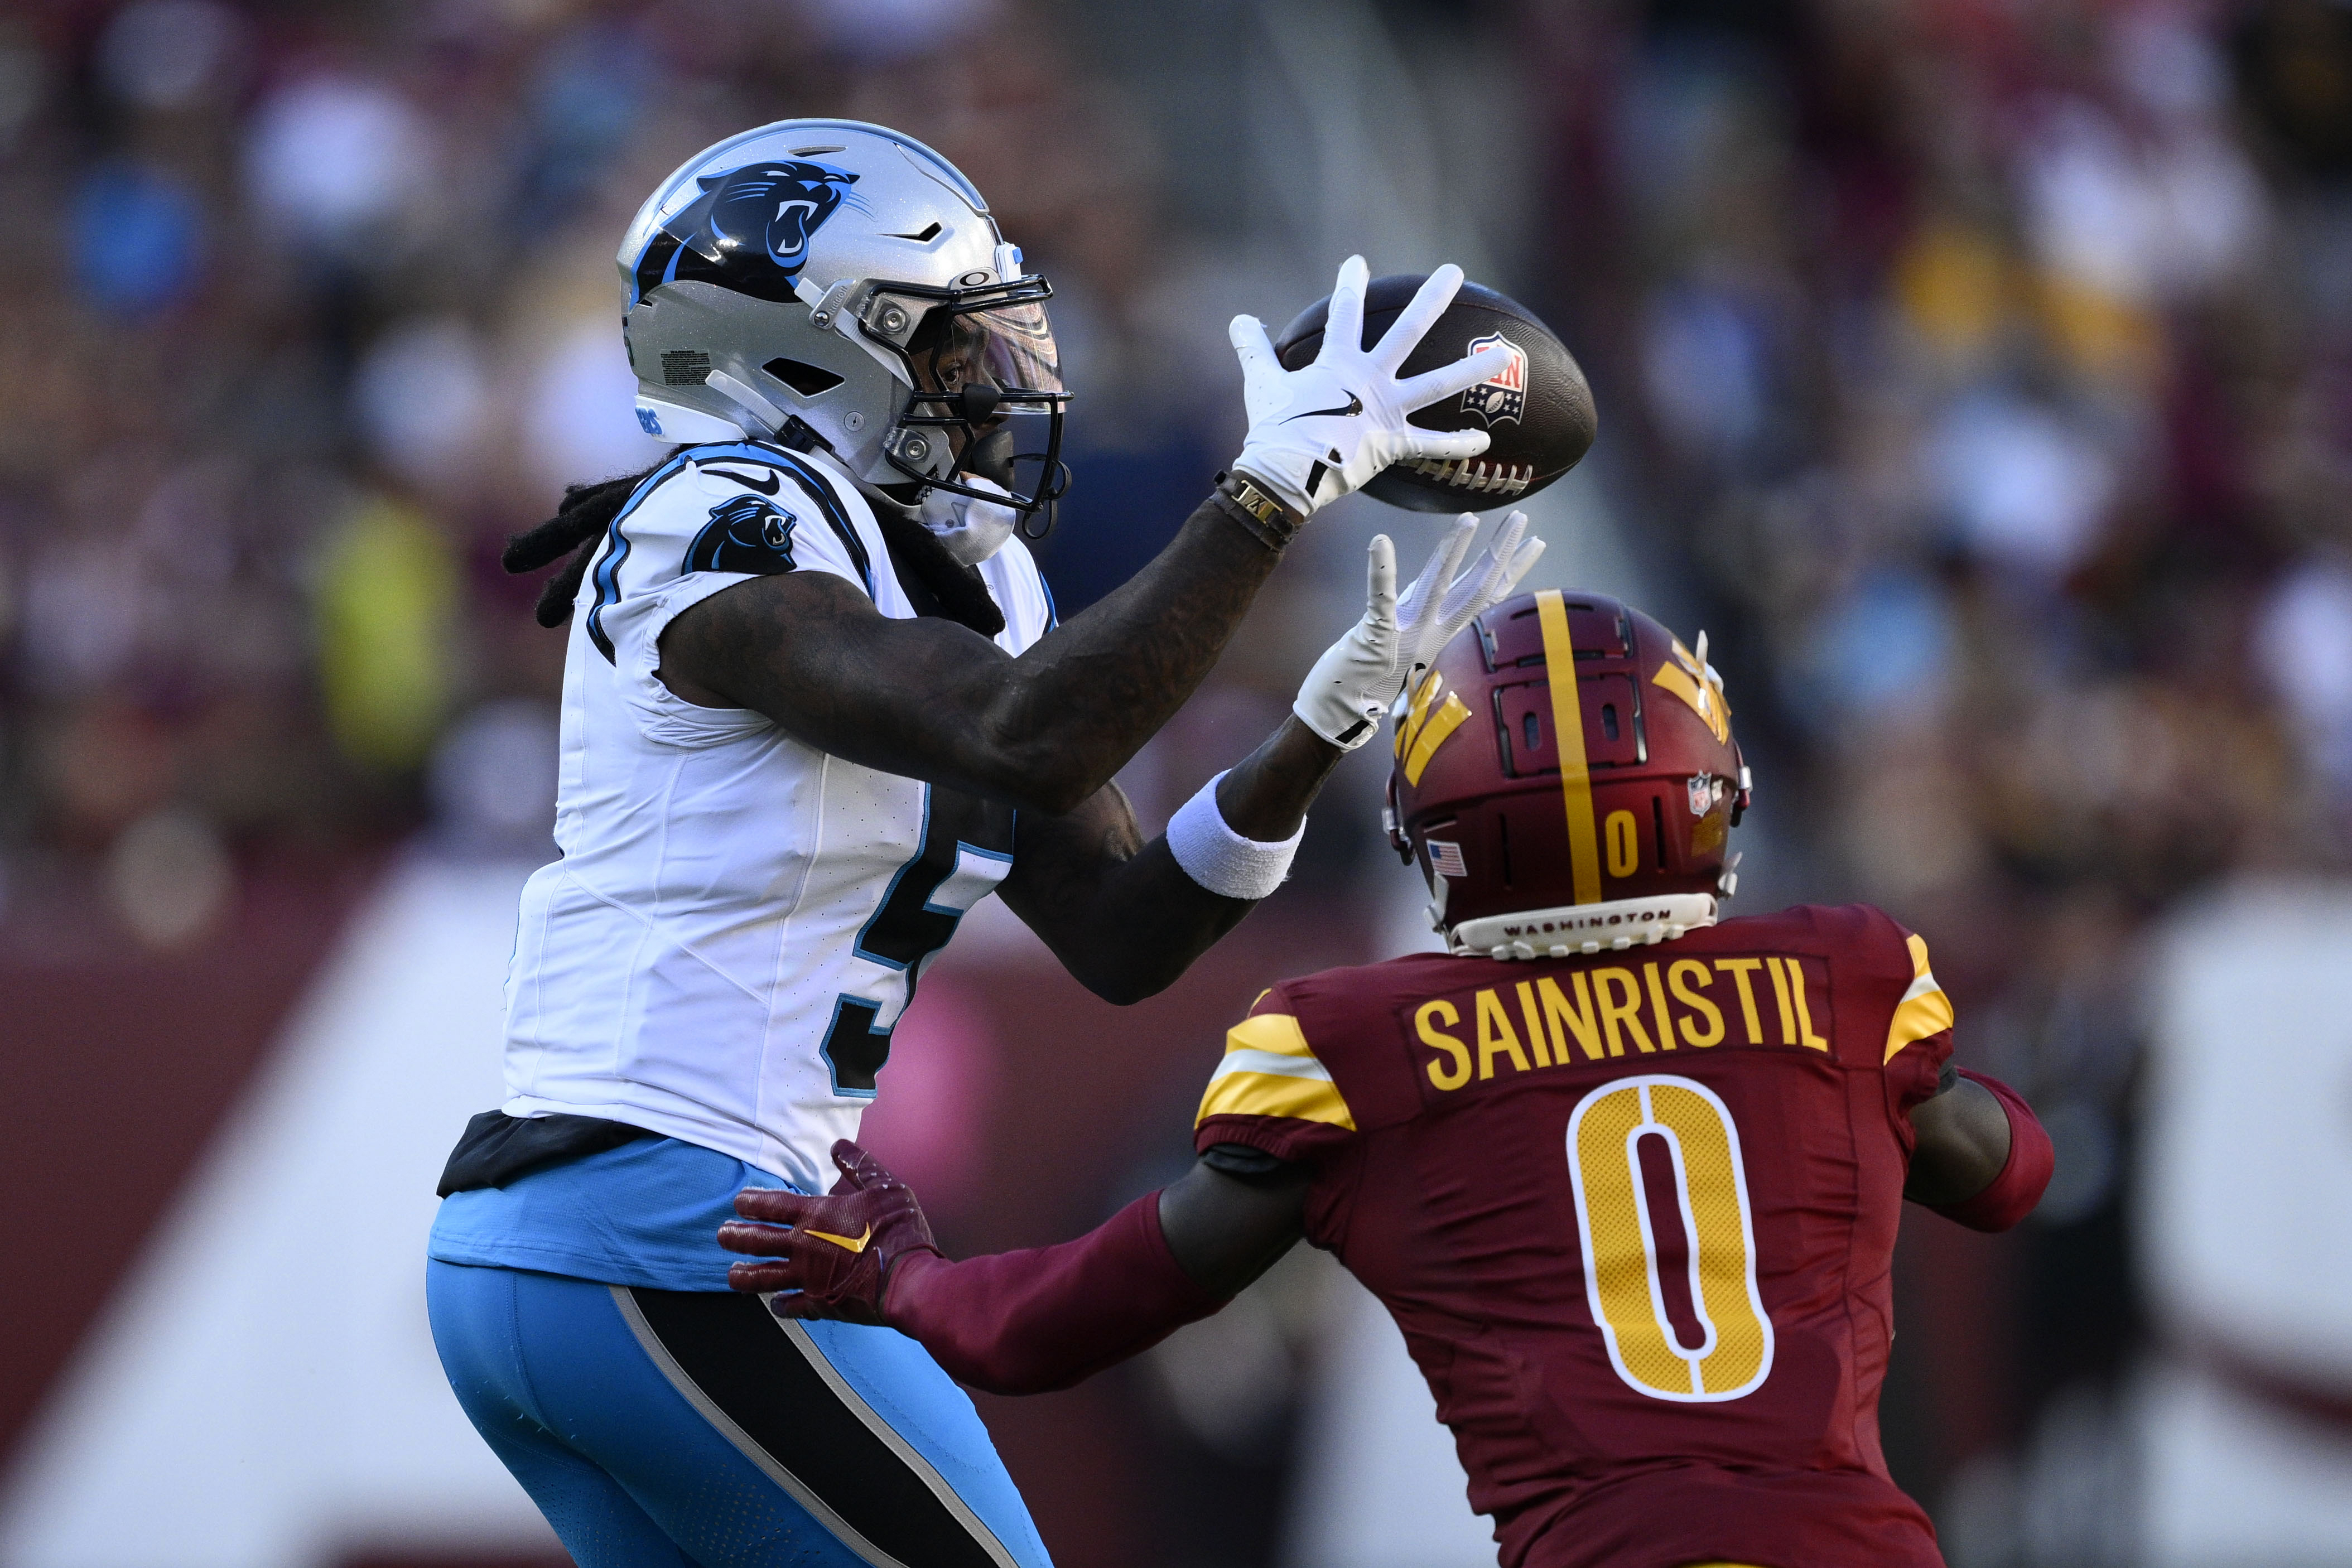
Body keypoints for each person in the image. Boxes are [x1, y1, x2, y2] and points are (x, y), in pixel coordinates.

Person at [424, 117, 1543, 1568]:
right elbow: (1028, 733)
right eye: (952, 348)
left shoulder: (973, 573)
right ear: (806, 356)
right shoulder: (719, 516)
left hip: (605, 1245)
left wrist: (1313, 733)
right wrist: (1266, 490)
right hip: (675, 1219)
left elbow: (1128, 930)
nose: (1001, 382)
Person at [720, 587, 2057, 1568]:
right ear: (1708, 791)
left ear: (1434, 832)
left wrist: (900, 1276)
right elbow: (2009, 1175)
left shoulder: (1351, 1046)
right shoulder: (1842, 980)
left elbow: (1053, 1321)